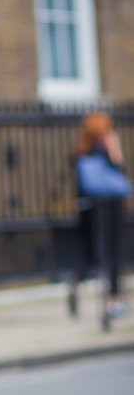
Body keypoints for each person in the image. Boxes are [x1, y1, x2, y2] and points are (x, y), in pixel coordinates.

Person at [69, 112, 130, 320]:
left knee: (92, 254)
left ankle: (76, 284)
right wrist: (115, 152)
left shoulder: (80, 153)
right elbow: (120, 178)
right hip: (108, 209)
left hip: (88, 209)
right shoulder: (104, 153)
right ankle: (113, 301)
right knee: (112, 253)